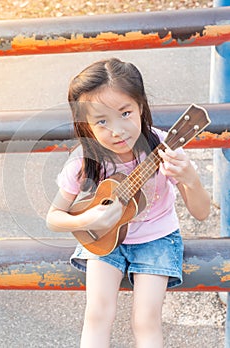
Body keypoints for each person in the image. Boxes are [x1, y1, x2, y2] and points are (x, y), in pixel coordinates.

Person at [46, 58, 210, 348]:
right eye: (102, 121)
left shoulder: (164, 147)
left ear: (141, 107)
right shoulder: (85, 161)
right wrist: (88, 220)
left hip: (156, 239)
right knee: (97, 314)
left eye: (125, 113)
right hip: (103, 240)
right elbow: (54, 217)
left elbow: (201, 212)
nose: (118, 130)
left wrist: (191, 178)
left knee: (145, 320)